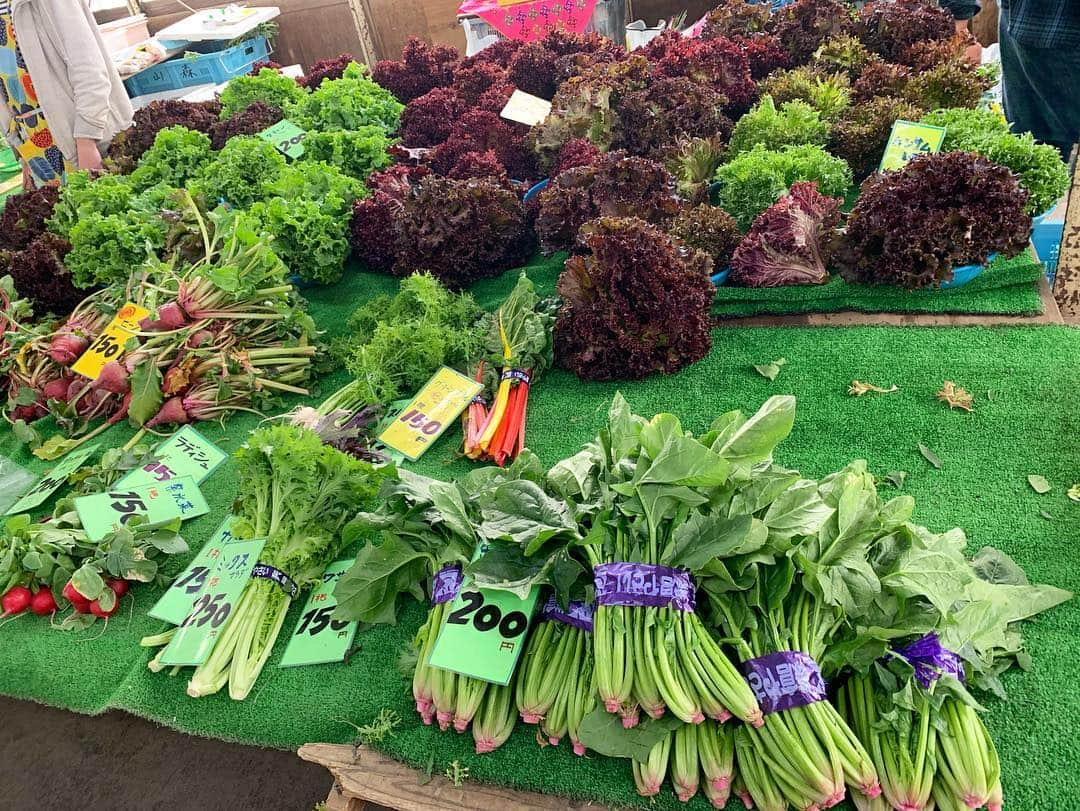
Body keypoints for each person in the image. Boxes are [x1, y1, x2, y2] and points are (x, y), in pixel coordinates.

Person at [0, 0, 133, 188]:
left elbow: (88, 68)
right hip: (37, 150)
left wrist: (86, 140)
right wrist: (23, 153)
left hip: (82, 143)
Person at [941, 0, 1080, 159]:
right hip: (1044, 26)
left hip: (1041, 27)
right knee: (1038, 146)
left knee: (1038, 145)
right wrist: (959, 29)